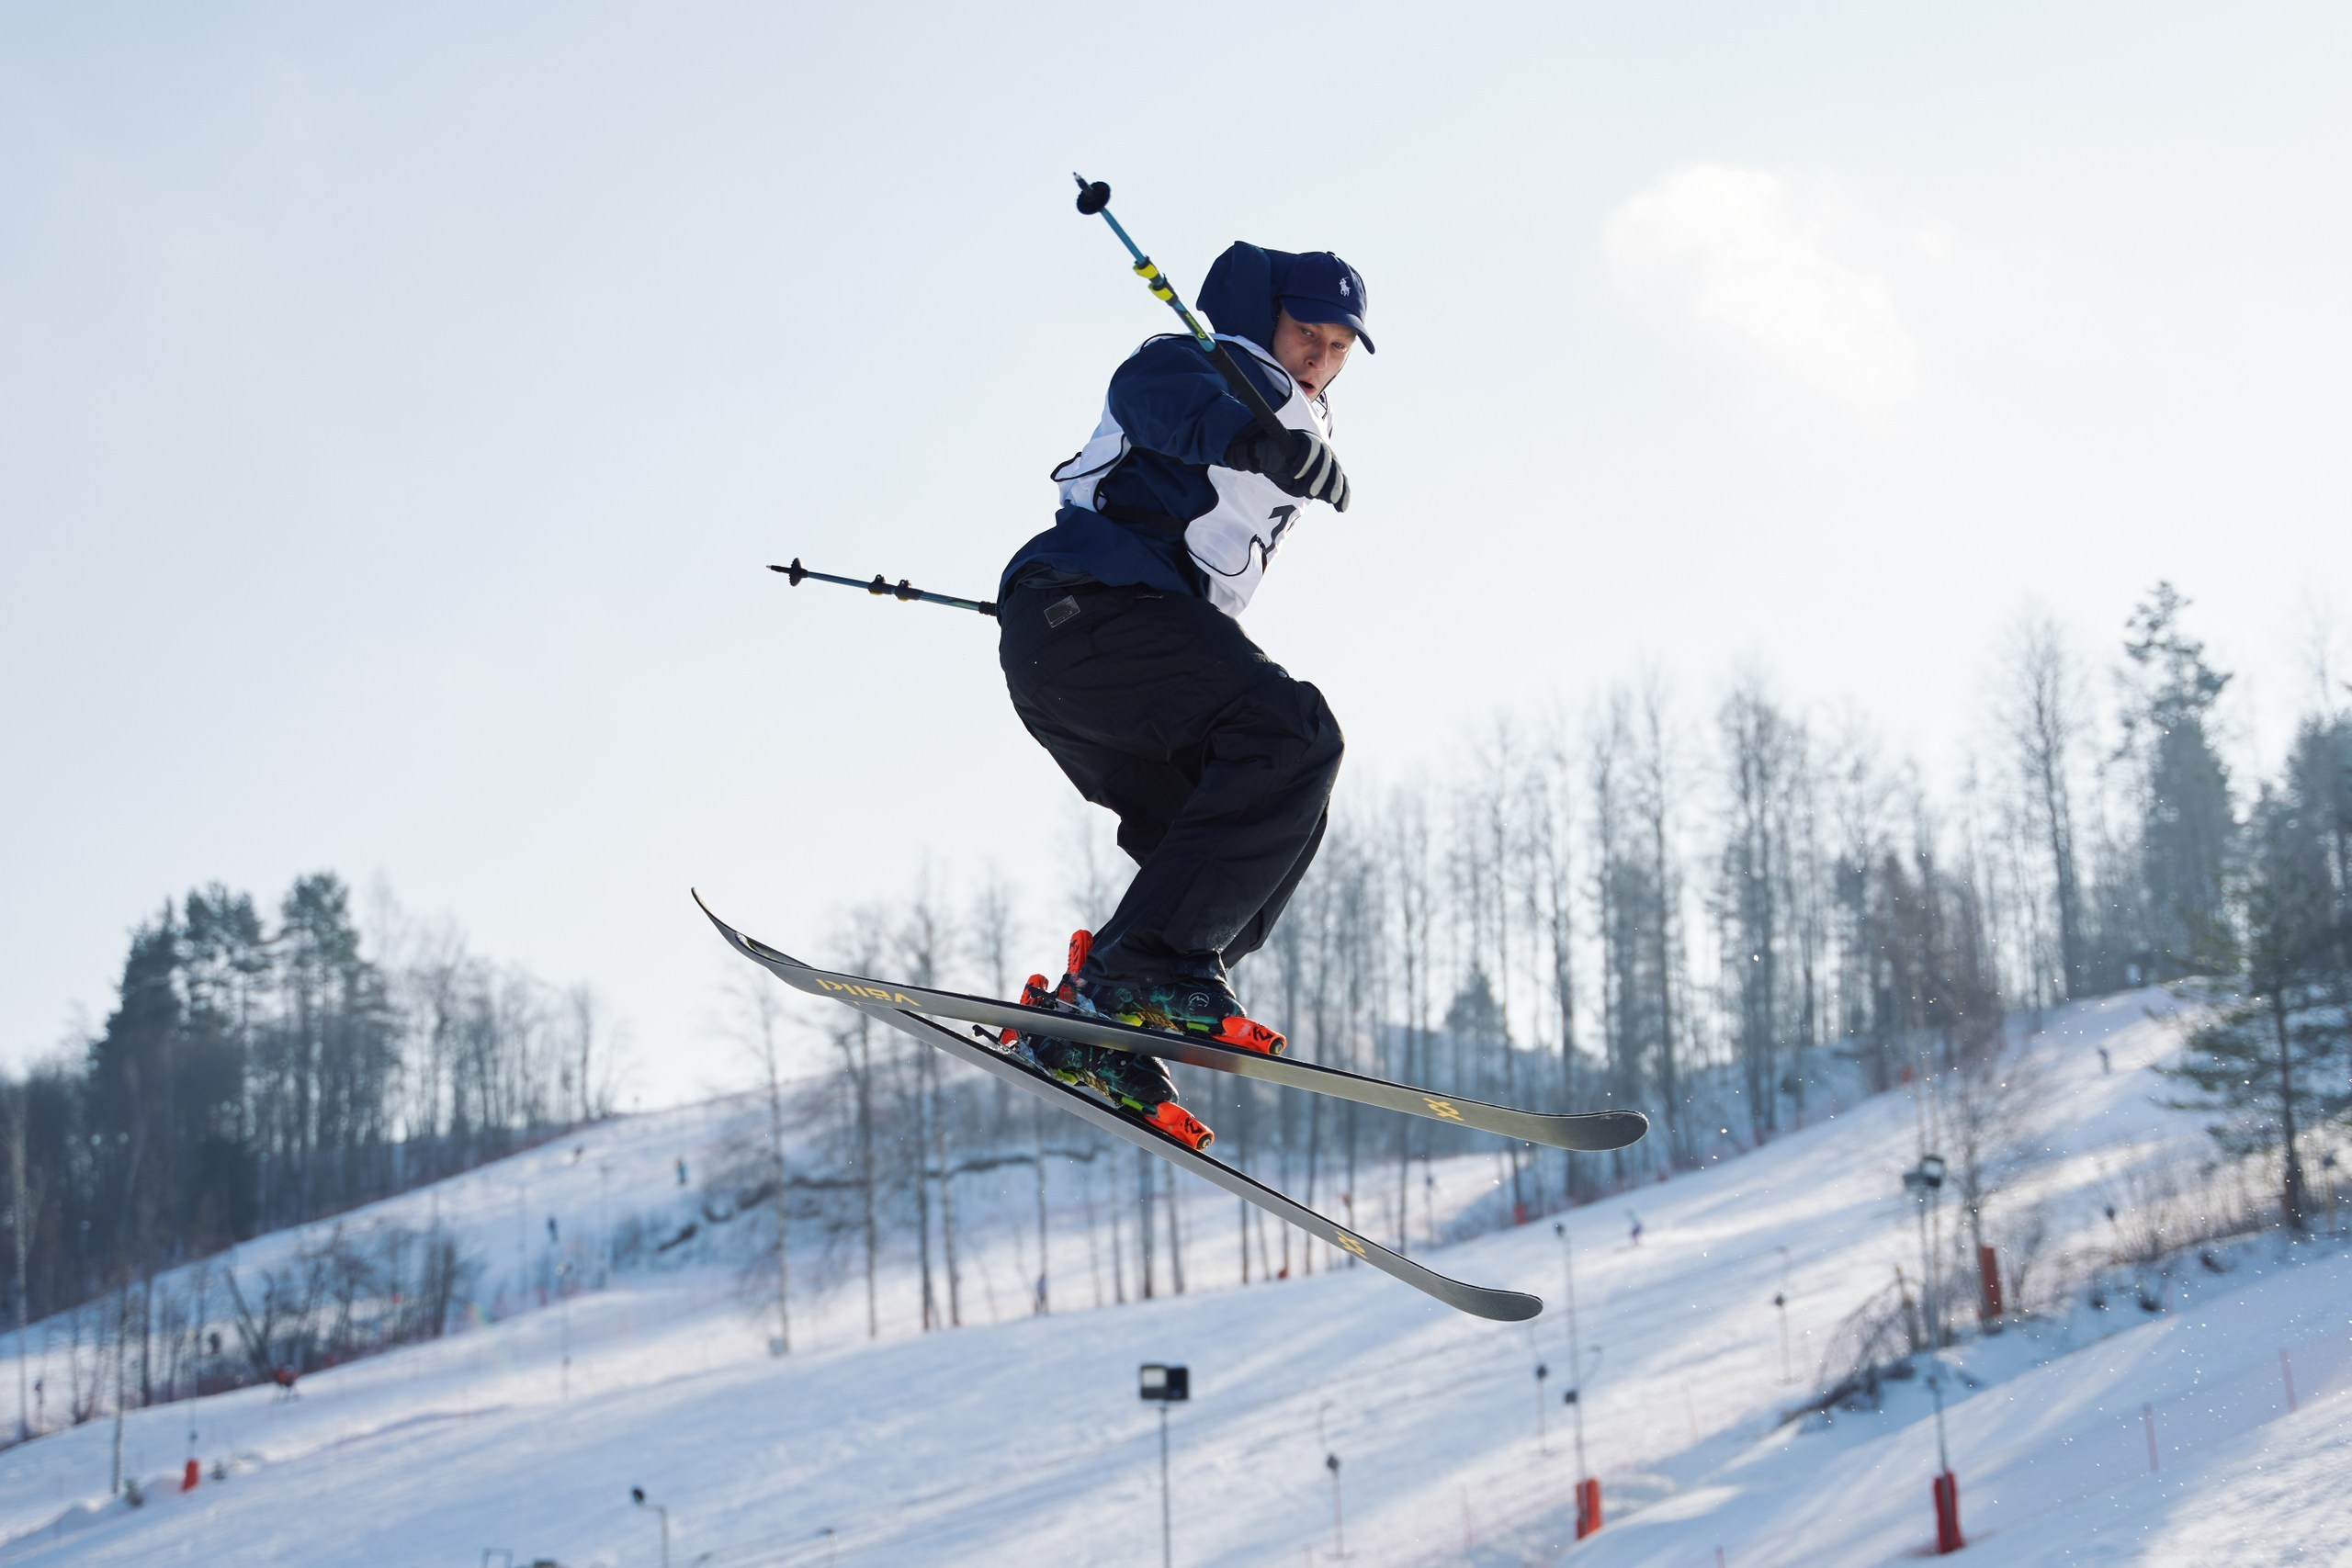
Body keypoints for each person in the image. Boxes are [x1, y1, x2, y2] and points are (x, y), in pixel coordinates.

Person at [995, 242, 1370, 1147]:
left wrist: (1282, 446)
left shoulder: (1291, 418)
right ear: (1264, 316)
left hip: (1094, 664)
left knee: (1251, 836)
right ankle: (1143, 973)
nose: (1317, 356)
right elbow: (1146, 398)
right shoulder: (1206, 363)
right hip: (1087, 618)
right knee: (1295, 737)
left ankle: (1102, 1027)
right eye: (1304, 332)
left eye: (1337, 346)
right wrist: (1254, 440)